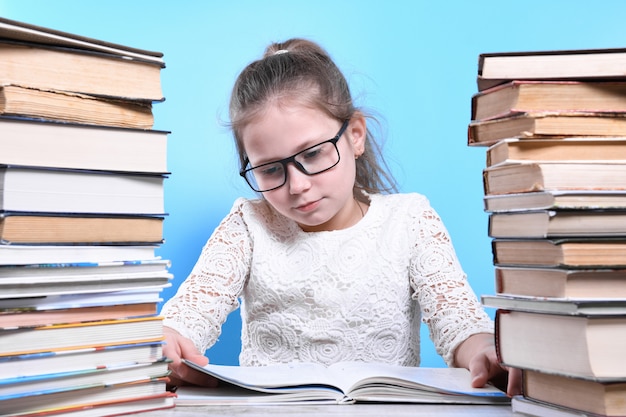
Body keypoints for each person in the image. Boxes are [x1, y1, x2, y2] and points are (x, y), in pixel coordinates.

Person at [161, 38, 520, 396]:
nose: (297, 186)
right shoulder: (248, 224)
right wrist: (170, 339)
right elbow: (190, 315)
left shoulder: (409, 220)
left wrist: (483, 349)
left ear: (355, 135)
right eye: (270, 170)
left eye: (314, 154)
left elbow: (457, 320)